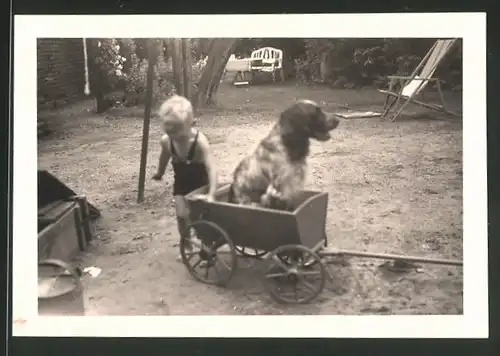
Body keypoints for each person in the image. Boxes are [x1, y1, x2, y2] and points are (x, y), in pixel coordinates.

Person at [152, 95, 217, 252]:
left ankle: (206, 248)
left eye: (180, 136)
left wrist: (212, 193)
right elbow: (164, 157)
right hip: (181, 183)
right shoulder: (166, 141)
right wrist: (159, 173)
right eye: (171, 134)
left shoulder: (200, 142)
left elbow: (211, 168)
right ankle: (186, 246)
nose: (176, 139)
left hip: (201, 183)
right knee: (181, 216)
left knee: (198, 218)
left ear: (192, 124)